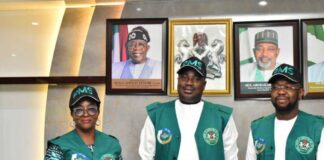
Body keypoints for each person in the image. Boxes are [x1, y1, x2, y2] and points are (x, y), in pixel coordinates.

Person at [139, 57, 239, 160]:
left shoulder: (222, 117)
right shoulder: (156, 114)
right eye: (184, 77)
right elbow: (146, 155)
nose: (189, 83)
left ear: (204, 85)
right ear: (178, 81)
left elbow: (231, 157)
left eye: (196, 79)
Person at [246, 63, 324, 160]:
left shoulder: (318, 127)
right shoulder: (257, 127)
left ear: (300, 93)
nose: (281, 92)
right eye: (276, 87)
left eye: (288, 87)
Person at [45, 85, 122, 160]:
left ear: (98, 112)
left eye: (91, 109)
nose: (85, 114)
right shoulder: (58, 146)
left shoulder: (112, 144)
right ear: (72, 114)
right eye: (79, 110)